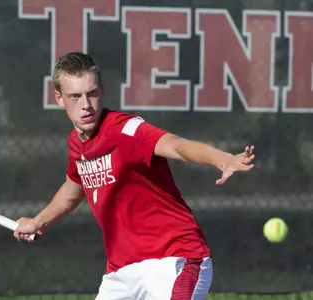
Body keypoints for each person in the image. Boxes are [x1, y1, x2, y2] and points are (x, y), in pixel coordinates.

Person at [13, 52, 255, 299]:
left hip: (174, 260)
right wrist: (37, 221)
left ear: (102, 90)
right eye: (75, 96)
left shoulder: (126, 130)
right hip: (122, 272)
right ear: (59, 98)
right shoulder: (77, 144)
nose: (86, 105)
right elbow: (72, 190)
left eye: (92, 93)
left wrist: (222, 159)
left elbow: (175, 145)